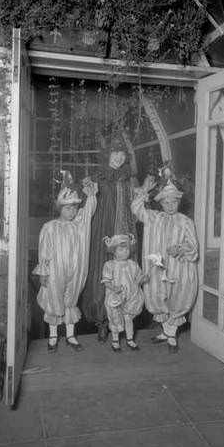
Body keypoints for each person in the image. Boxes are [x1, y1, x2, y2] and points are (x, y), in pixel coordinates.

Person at [131, 171, 199, 353]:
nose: (170, 205)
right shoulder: (154, 217)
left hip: (178, 268)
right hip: (157, 268)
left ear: (179, 202)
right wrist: (144, 190)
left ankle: (171, 336)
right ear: (160, 203)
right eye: (166, 202)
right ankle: (166, 333)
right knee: (158, 298)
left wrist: (180, 248)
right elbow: (136, 208)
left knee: (176, 298)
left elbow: (193, 246)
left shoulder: (185, 222)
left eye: (173, 201)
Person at [80, 135, 137, 343]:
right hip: (102, 230)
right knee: (101, 272)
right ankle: (101, 321)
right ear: (107, 155)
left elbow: (136, 208)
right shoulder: (97, 177)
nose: (118, 157)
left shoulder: (129, 179)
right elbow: (87, 205)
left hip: (122, 229)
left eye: (122, 154)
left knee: (124, 273)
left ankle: (123, 322)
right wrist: (87, 191)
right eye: (114, 153)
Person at [32, 173, 98, 352]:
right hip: (56, 272)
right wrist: (44, 272)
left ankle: (70, 335)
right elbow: (44, 251)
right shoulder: (50, 227)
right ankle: (53, 336)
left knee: (71, 300)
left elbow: (89, 209)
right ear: (59, 208)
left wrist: (90, 193)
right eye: (68, 208)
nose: (72, 212)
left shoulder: (79, 225)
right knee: (54, 301)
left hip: (75, 271)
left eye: (75, 208)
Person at [101, 233, 148, 352]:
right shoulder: (109, 265)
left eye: (127, 249)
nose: (125, 252)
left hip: (131, 296)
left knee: (128, 318)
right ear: (113, 251)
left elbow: (138, 279)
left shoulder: (133, 264)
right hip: (116, 296)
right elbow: (106, 281)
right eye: (121, 249)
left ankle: (130, 339)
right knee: (115, 319)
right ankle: (115, 340)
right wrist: (113, 287)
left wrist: (143, 279)